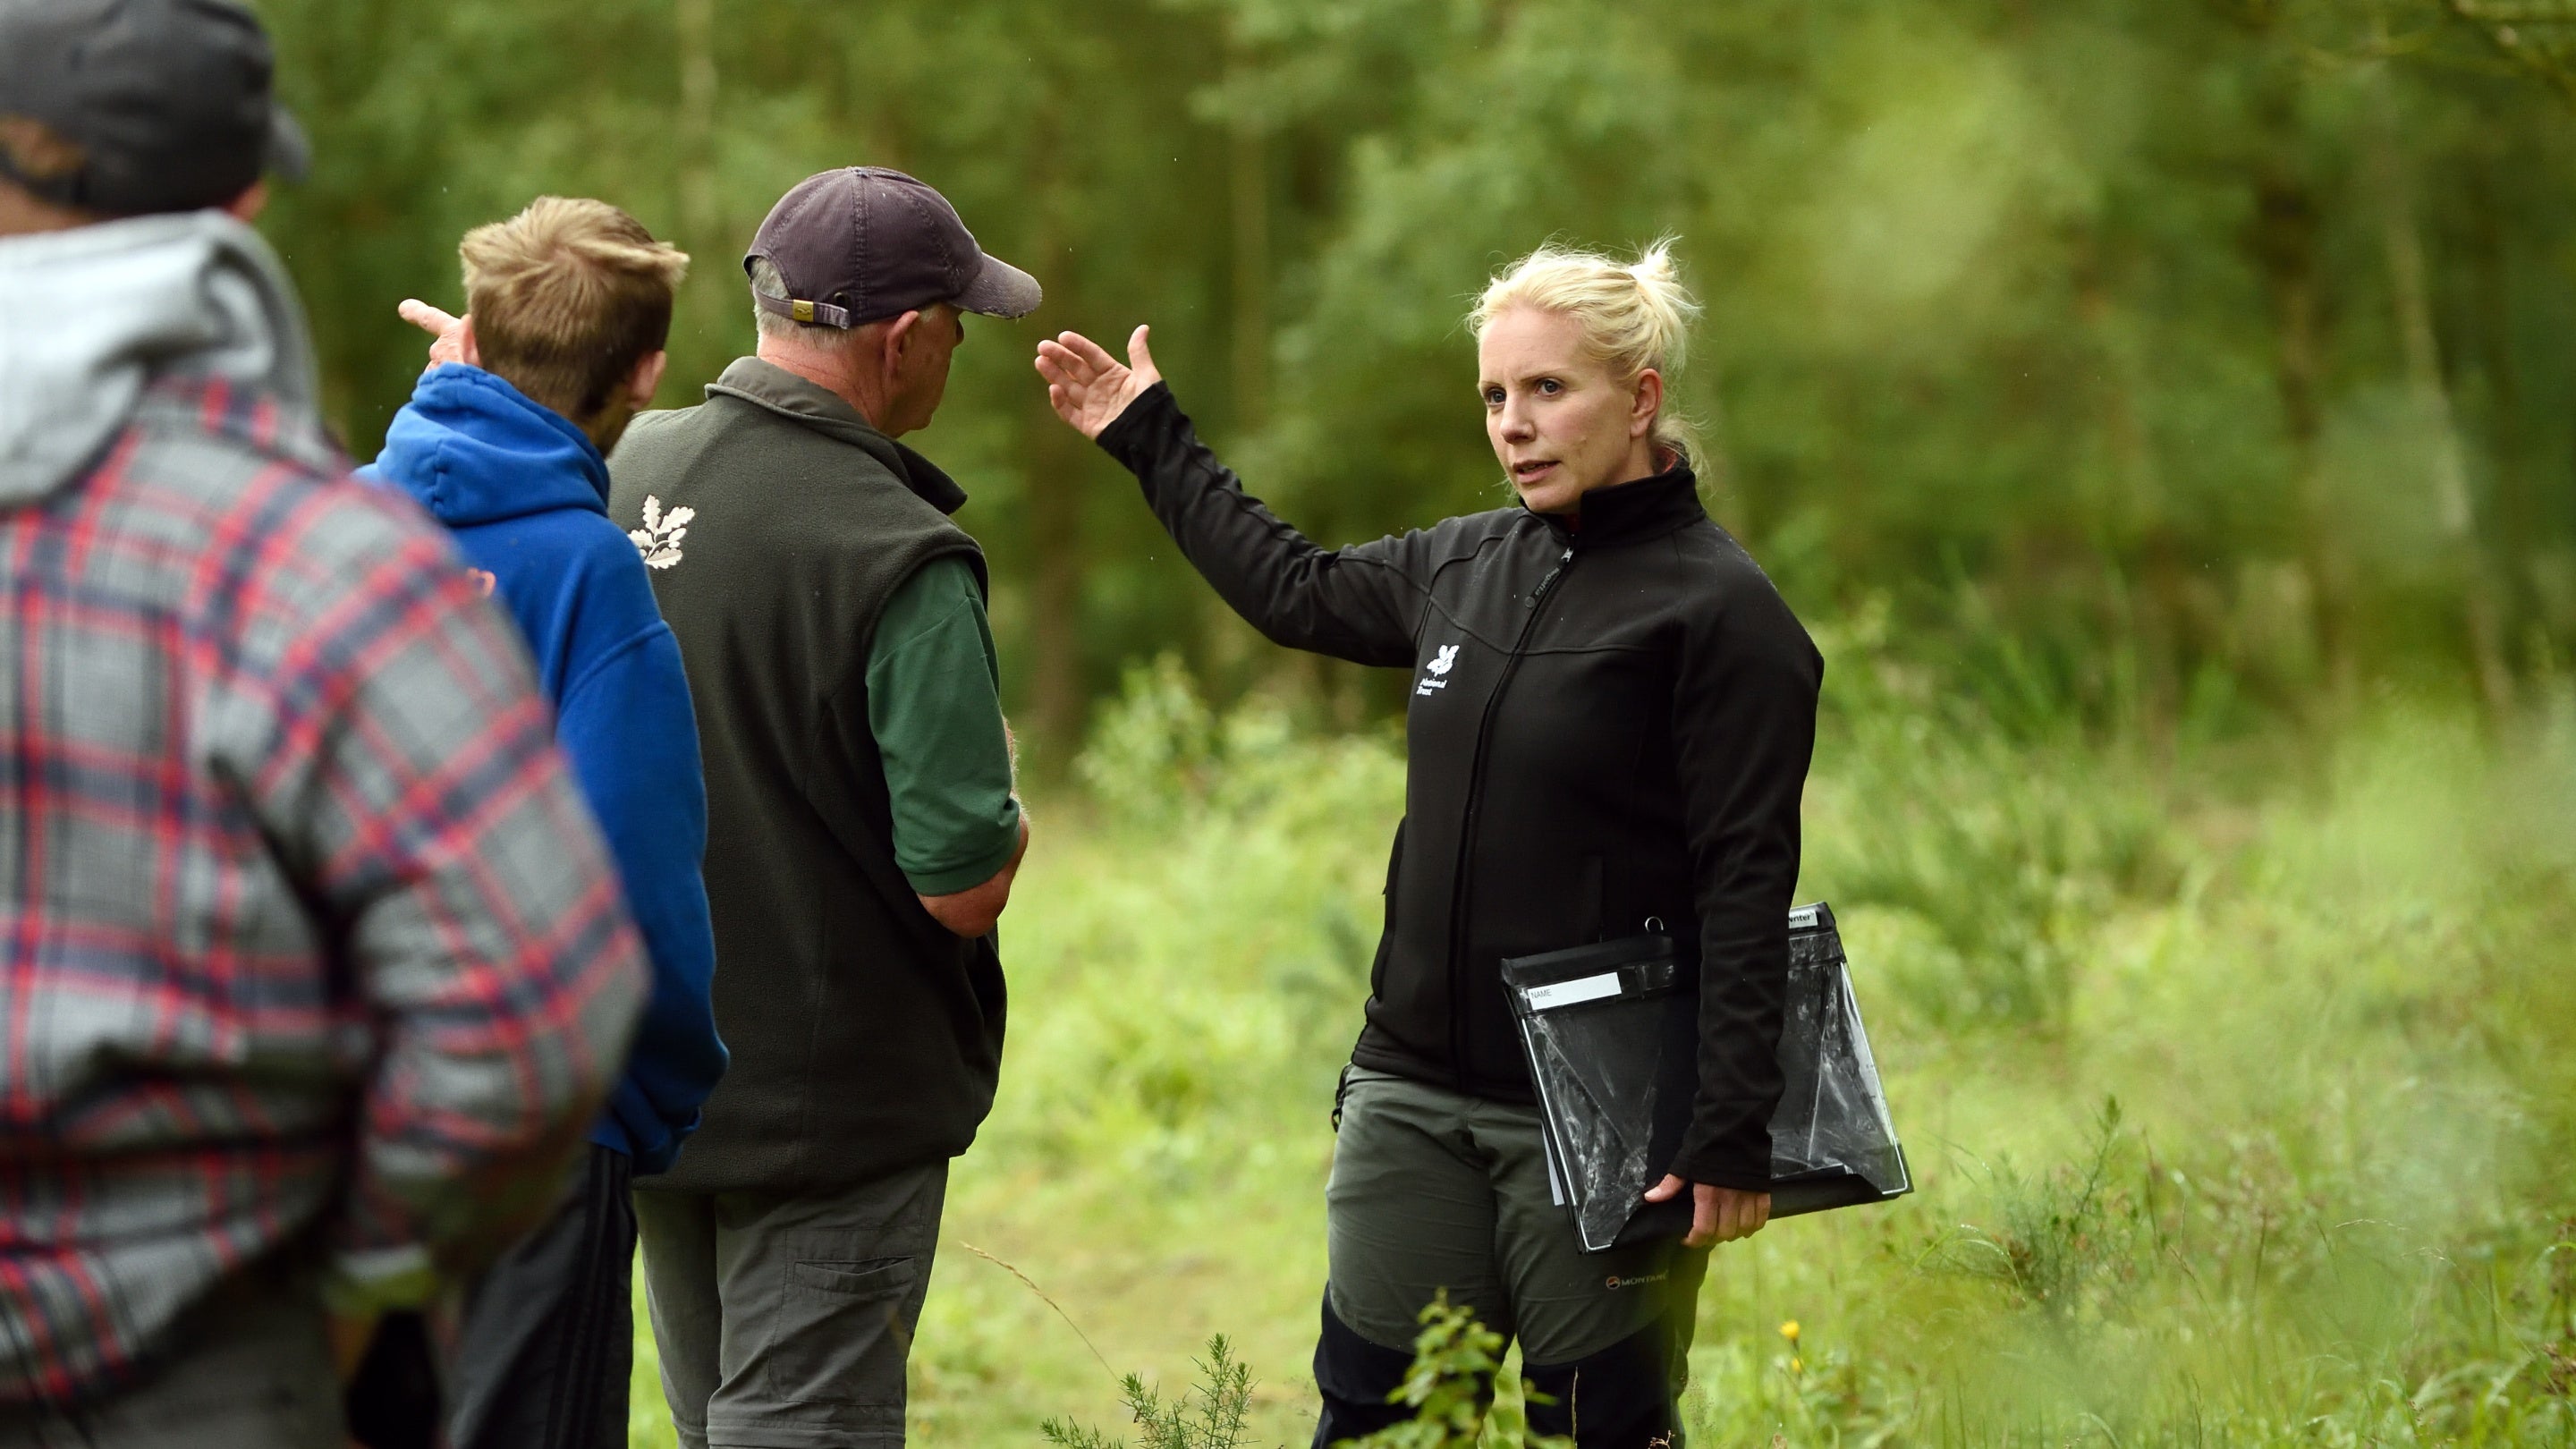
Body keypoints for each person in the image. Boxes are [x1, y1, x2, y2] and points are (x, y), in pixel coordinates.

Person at [1036, 242, 1821, 1446]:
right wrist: (1149, 433)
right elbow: (1291, 587)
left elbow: (1746, 883)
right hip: (1408, 1094)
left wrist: (1728, 1124)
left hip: (1600, 1122)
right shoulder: (1465, 563)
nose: (1515, 425)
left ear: (1642, 398)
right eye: (1496, 397)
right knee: (1385, 1426)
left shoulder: (1724, 617)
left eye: (1549, 390)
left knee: (1598, 1431)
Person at [0, 3, 650, 1446]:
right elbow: (537, 1017)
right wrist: (368, 1276)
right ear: (242, 205)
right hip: (213, 1364)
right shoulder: (317, 565)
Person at [609, 167, 1039, 1449]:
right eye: (960, 326)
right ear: (905, 340)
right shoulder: (895, 550)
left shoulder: (617, 470)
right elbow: (961, 878)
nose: (958, 352)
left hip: (651, 1083)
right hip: (831, 1113)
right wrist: (1013, 811)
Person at [368, 197, 727, 1449]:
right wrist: (654, 1103)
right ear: (646, 372)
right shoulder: (588, 571)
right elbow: (635, 882)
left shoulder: (330, 530)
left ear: (464, 334)